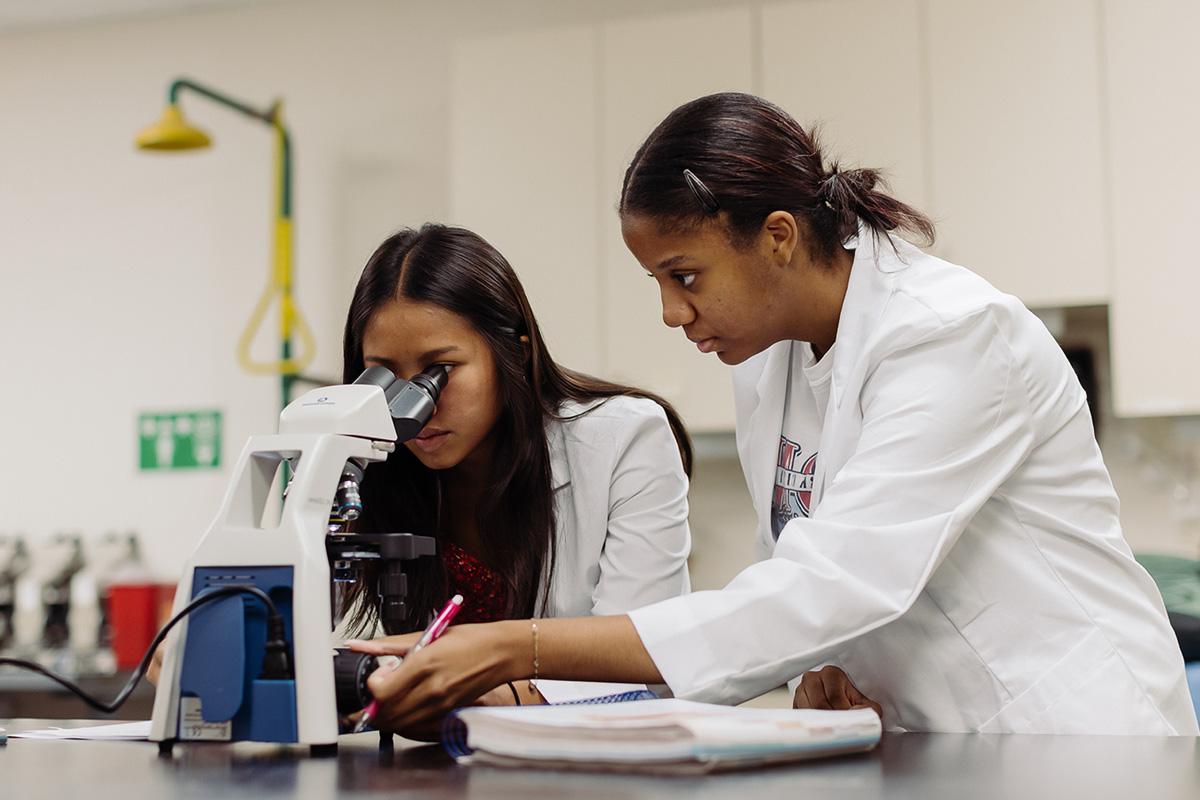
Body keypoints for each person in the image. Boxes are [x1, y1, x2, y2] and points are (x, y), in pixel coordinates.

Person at [352, 93, 1198, 736]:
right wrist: (824, 668)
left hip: (1081, 735)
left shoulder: (951, 336)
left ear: (781, 237)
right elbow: (798, 562)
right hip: (926, 737)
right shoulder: (769, 361)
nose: (671, 314)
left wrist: (517, 647)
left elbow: (830, 584)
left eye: (684, 275)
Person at [151, 224, 693, 708]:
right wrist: (210, 638)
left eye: (439, 371)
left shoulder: (624, 437)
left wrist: (480, 692)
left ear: (514, 353)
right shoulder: (355, 466)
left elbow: (645, 660)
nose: (413, 407)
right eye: (382, 376)